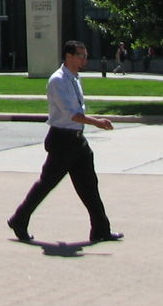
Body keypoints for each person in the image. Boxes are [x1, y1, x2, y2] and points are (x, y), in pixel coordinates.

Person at [7, 40, 122, 244]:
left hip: (78, 142)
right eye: (81, 55)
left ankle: (101, 229)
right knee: (46, 184)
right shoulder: (58, 80)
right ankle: (19, 220)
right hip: (62, 141)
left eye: (85, 55)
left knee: (89, 186)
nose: (84, 59)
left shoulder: (74, 79)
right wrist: (97, 122)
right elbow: (72, 114)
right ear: (68, 56)